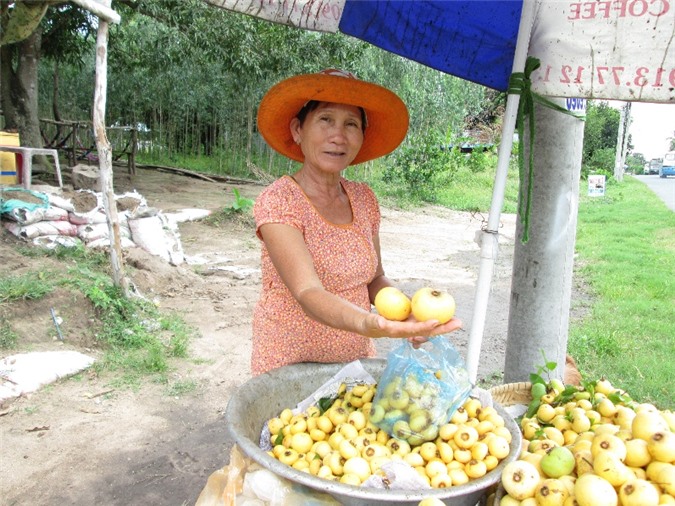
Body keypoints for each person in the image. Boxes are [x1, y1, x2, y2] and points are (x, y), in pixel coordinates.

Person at [251, 69, 462, 376]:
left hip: (352, 361)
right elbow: (308, 291)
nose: (338, 136)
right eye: (325, 120)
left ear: (362, 137)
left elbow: (375, 279)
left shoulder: (363, 199)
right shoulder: (279, 201)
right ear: (298, 129)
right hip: (288, 363)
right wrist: (369, 323)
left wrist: (406, 316)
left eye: (351, 124)